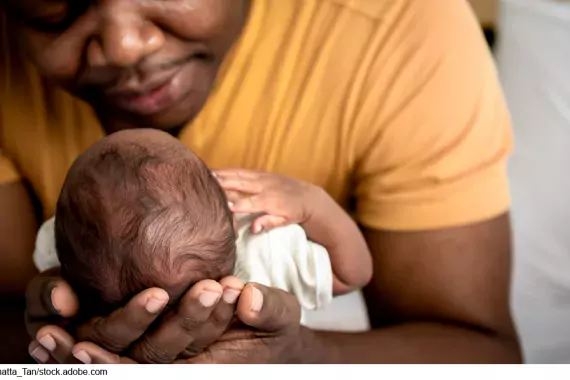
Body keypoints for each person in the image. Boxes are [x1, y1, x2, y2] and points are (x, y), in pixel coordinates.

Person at [0, 0, 521, 364]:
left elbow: (483, 353)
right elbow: (352, 272)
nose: (124, 45)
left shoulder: (400, 30)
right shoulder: (263, 250)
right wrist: (47, 355)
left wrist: (302, 356)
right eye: (52, 4)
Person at [34, 128, 370, 331]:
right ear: (226, 204)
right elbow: (352, 274)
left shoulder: (64, 251)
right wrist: (313, 203)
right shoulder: (263, 245)